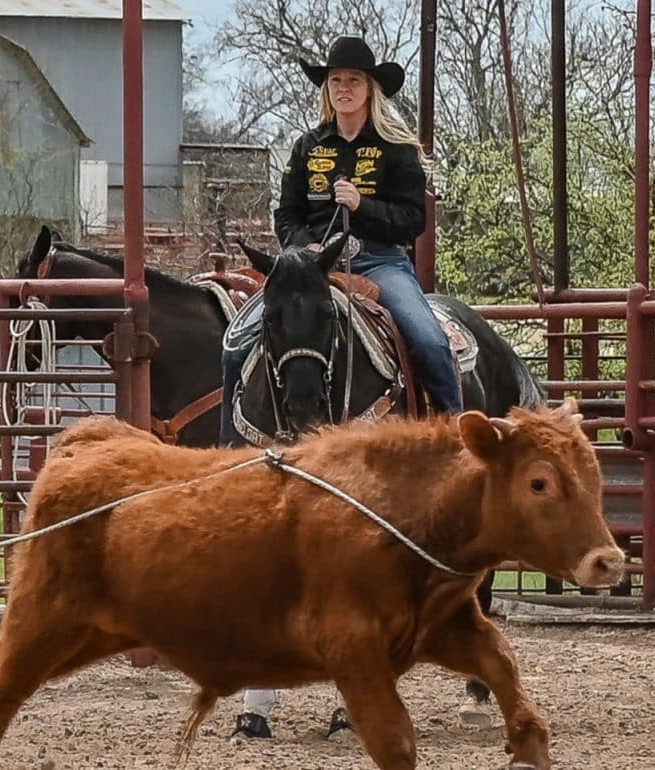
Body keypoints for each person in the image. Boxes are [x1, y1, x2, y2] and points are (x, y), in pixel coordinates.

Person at [221, 35, 463, 740]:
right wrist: (302, 247)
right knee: (236, 337)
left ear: (371, 89)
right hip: (309, 264)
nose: (346, 90)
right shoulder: (309, 147)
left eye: (355, 81)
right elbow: (286, 213)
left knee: (423, 336)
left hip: (382, 263)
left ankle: (450, 430)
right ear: (327, 88)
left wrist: (364, 207)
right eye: (338, 81)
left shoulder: (396, 152)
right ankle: (234, 431)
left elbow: (412, 220)